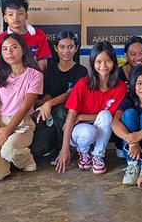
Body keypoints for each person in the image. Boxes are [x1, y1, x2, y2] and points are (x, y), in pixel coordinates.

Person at [54, 41, 127, 175]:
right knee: (88, 132)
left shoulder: (120, 86)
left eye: (107, 61)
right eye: (98, 61)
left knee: (105, 115)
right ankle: (84, 153)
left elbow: (111, 115)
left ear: (114, 62)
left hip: (102, 127)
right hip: (80, 131)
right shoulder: (83, 84)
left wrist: (82, 116)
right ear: (93, 63)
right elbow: (71, 117)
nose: (103, 66)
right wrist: (64, 149)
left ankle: (98, 156)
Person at [0, 33, 43, 181]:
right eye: (5, 49)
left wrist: (5, 133)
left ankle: (25, 158)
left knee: (8, 151)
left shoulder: (35, 75)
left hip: (21, 122)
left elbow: (24, 108)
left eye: (14, 47)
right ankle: (13, 158)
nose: (9, 52)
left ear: (23, 50)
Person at [33, 31, 85, 164]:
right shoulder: (50, 70)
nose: (66, 51)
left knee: (61, 110)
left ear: (76, 48)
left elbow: (70, 95)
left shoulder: (81, 71)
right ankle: (52, 146)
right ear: (56, 48)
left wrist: (49, 103)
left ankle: (64, 148)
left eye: (70, 47)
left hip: (71, 115)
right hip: (51, 116)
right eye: (62, 47)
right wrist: (42, 105)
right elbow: (47, 95)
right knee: (37, 149)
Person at [0, 0, 52, 68]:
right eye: (11, 14)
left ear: (26, 16)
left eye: (20, 14)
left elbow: (43, 65)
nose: (15, 18)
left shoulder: (38, 34)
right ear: (5, 18)